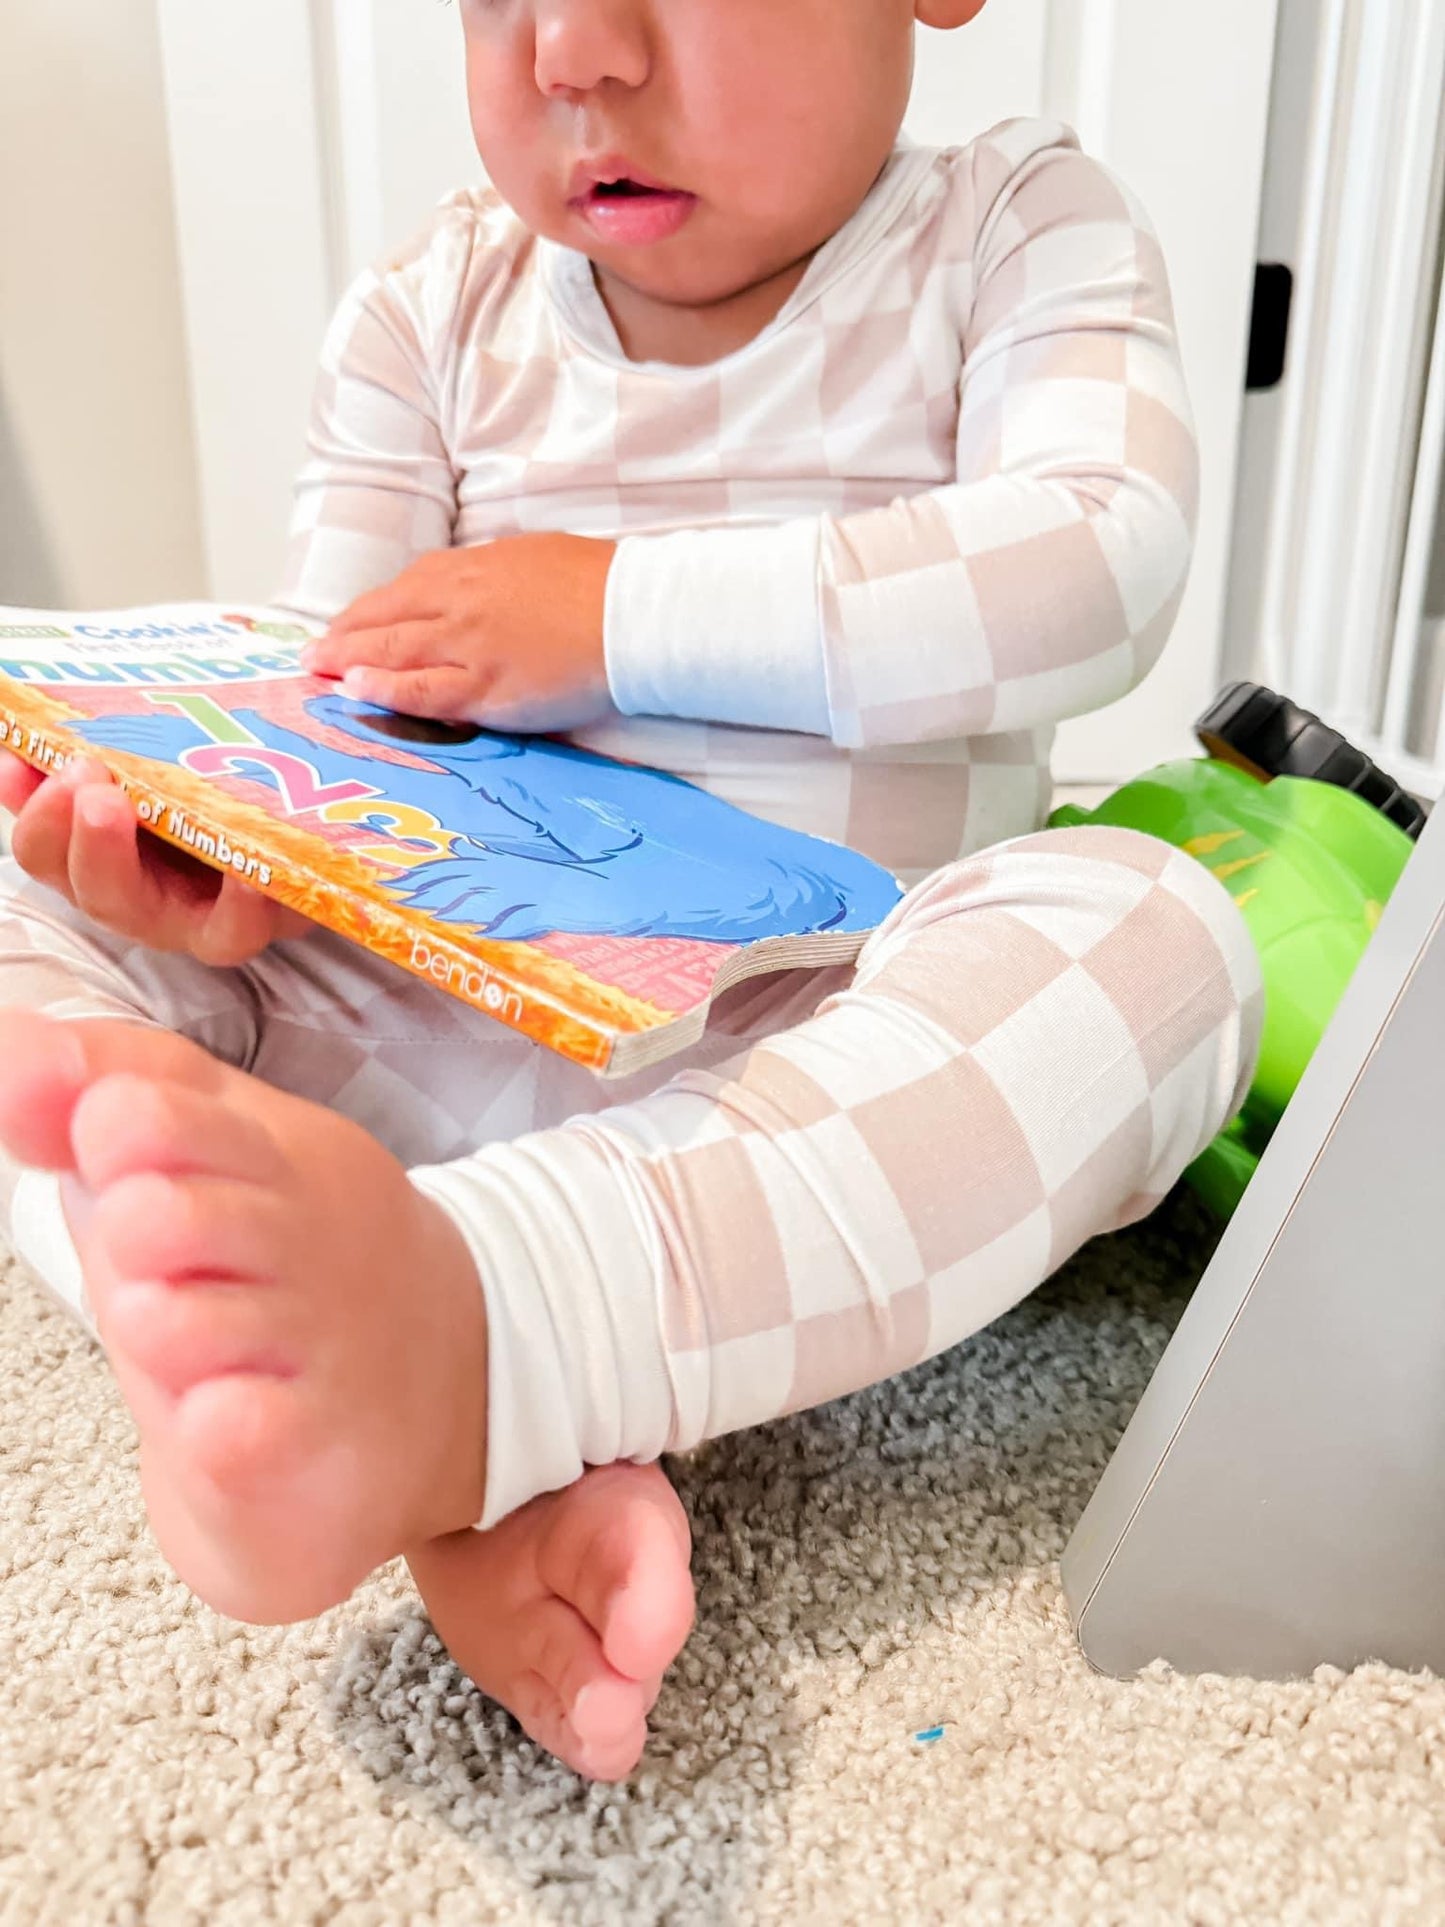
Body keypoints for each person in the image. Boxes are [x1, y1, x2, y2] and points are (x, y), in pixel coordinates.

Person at [0, 0, 1260, 1782]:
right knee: (22, 914)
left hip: (801, 1067)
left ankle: (495, 1336)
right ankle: (390, 1380)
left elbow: (1092, 564)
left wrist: (610, 611)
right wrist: (209, 862)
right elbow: (315, 695)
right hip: (394, 1020)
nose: (571, 51)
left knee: (1156, 932)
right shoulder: (430, 311)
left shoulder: (1012, 228)